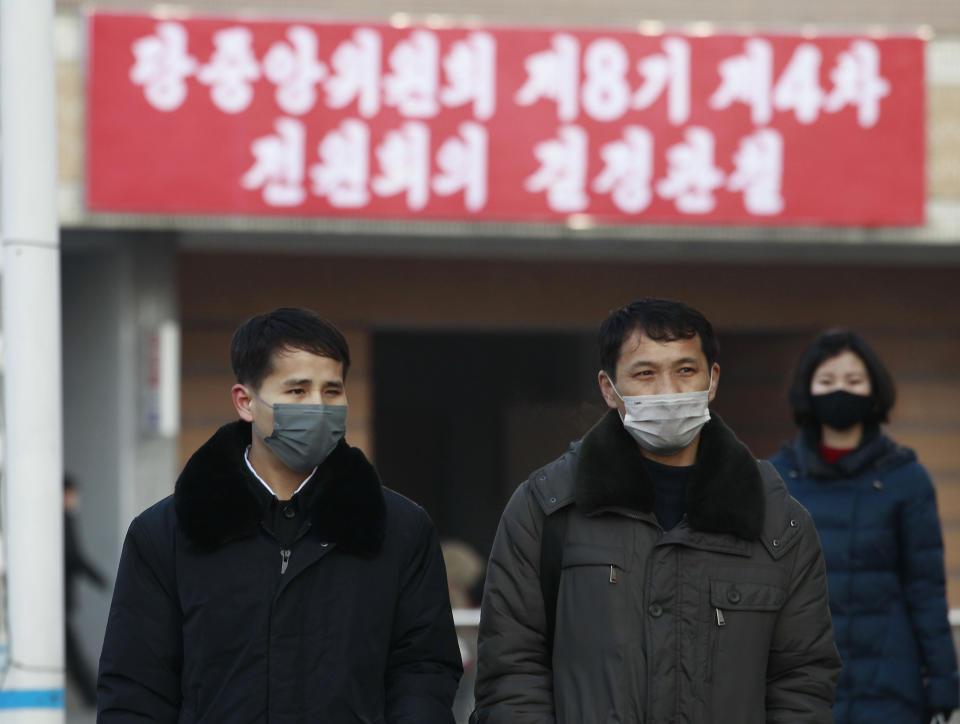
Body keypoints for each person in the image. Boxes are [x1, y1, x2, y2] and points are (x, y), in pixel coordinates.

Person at [473, 298, 840, 723]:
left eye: (685, 370)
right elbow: (511, 672)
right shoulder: (548, 509)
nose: (668, 391)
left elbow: (802, 682)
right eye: (645, 373)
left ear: (712, 379)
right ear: (609, 389)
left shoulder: (777, 522)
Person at [98, 307, 462, 722]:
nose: (318, 407)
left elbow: (423, 672)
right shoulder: (166, 535)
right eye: (297, 391)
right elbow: (135, 689)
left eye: (332, 391)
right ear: (245, 402)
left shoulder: (399, 529)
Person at [769, 329, 959, 724]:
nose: (840, 391)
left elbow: (926, 591)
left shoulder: (906, 479)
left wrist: (943, 684)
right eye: (827, 381)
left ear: (874, 391)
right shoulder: (774, 479)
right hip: (802, 690)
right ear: (807, 390)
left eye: (853, 381)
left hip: (889, 688)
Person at [63, 474, 108, 709]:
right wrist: (97, 577)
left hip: (59, 600)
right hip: (56, 600)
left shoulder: (64, 519)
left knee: (70, 650)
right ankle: (92, 696)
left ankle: (91, 695)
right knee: (71, 651)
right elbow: (73, 556)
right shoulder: (62, 520)